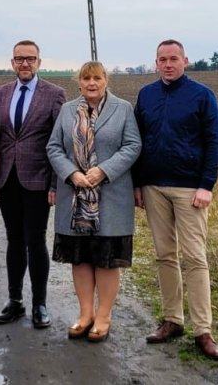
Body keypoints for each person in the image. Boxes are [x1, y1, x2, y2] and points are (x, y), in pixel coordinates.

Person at [133, 39, 218, 360]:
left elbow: (215, 142)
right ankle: (173, 320)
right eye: (162, 59)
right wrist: (137, 183)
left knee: (195, 258)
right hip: (153, 187)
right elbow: (136, 141)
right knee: (164, 256)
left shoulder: (202, 96)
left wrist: (206, 185)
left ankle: (203, 330)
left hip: (190, 190)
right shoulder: (146, 95)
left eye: (174, 59)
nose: (168, 64)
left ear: (185, 61)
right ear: (155, 63)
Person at [46, 61, 141, 343]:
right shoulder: (67, 110)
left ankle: (104, 316)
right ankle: (85, 314)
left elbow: (133, 145)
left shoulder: (123, 109)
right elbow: (53, 146)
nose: (91, 83)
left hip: (110, 196)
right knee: (81, 258)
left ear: (105, 81)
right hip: (75, 197)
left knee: (106, 260)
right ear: (79, 82)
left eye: (97, 78)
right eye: (86, 78)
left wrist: (104, 171)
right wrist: (72, 173)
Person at [0, 40, 66, 328]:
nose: (24, 63)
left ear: (39, 62)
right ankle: (15, 301)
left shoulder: (54, 94)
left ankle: (40, 304)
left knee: (35, 241)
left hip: (38, 181)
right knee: (14, 240)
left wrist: (55, 184)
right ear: (12, 62)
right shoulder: (0, 94)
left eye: (30, 58)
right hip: (7, 178)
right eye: (19, 58)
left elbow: (60, 143)